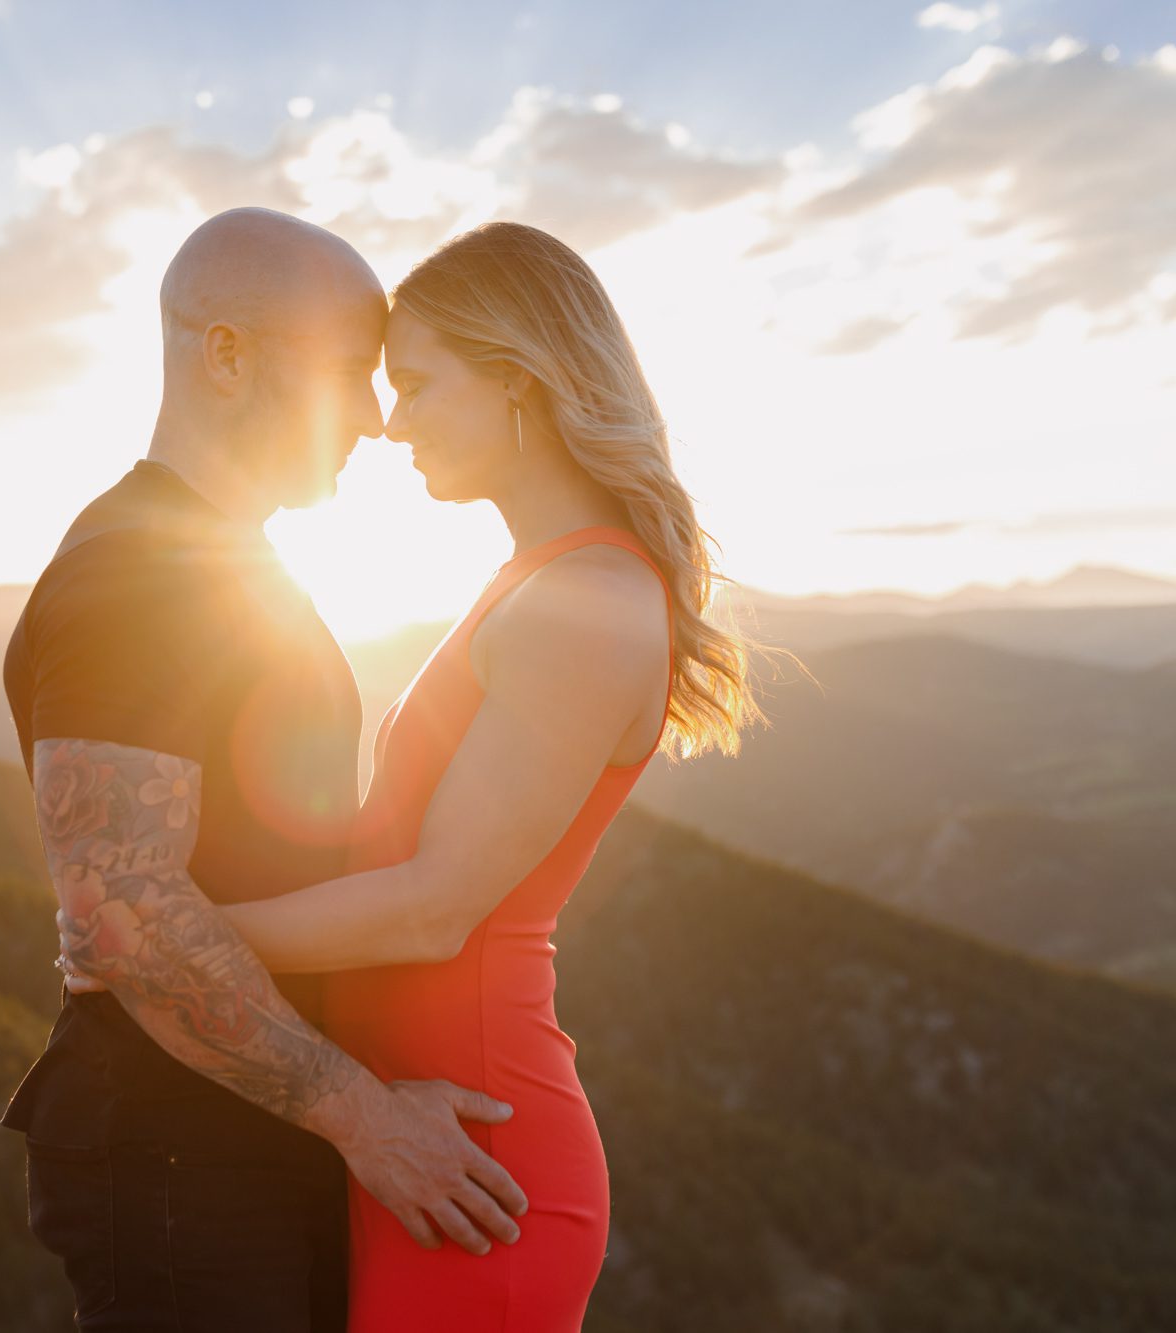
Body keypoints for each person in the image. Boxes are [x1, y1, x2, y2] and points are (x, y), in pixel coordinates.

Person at [62, 220, 778, 1330]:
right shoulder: (534, 582)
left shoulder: (585, 603)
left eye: (413, 384)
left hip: (471, 1144)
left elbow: (435, 907)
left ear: (514, 387)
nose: (388, 422)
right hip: (412, 1127)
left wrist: (161, 933)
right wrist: (154, 935)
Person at [1, 207, 531, 1333]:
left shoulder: (222, 559)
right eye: (349, 371)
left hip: (239, 1132)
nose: (378, 419)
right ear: (226, 354)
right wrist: (366, 1120)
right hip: (174, 1152)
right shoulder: (138, 574)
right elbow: (124, 912)